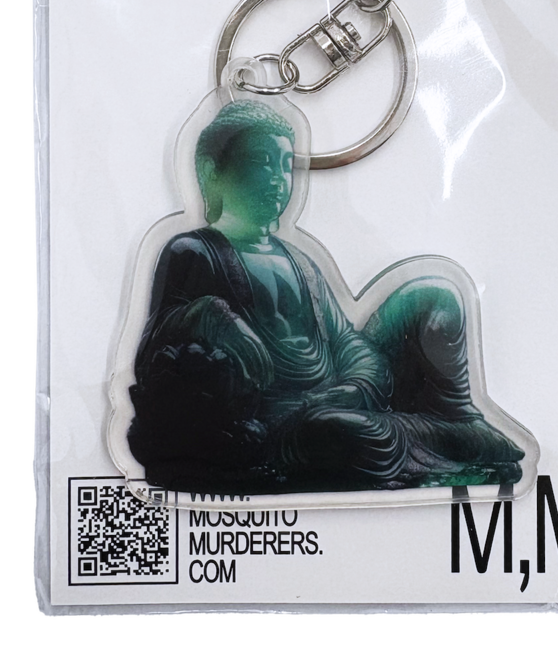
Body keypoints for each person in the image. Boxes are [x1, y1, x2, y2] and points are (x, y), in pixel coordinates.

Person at [127, 99, 524, 494]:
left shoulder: (300, 261)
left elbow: (345, 341)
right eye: (261, 161)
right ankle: (452, 443)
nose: (278, 179)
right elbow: (152, 353)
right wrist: (210, 315)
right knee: (346, 433)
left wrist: (356, 387)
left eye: (286, 165)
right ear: (213, 171)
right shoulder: (194, 251)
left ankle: (458, 418)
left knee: (433, 297)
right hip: (281, 424)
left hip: (338, 400)